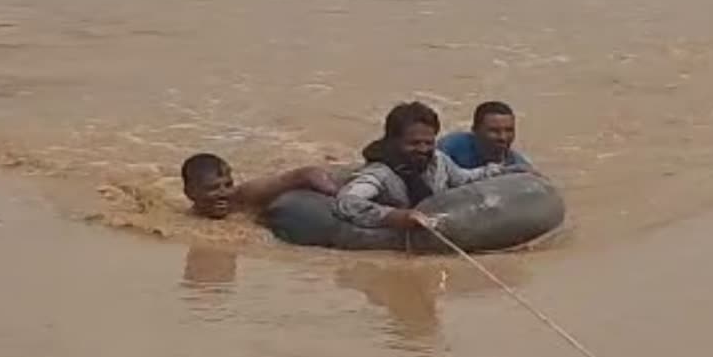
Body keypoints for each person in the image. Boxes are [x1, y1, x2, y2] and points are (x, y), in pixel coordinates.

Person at [334, 101, 528, 229]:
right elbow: (347, 202)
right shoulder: (380, 174)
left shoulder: (438, 160)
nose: (423, 149)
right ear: (394, 141)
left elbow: (463, 178)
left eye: (428, 142)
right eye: (414, 143)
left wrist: (502, 170)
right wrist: (396, 217)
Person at [180, 153, 346, 219]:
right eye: (213, 188)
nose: (224, 193)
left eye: (228, 185)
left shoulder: (246, 197)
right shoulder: (184, 219)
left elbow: (307, 173)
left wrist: (336, 193)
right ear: (189, 193)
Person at [437, 100, 533, 169]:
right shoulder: (447, 150)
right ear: (475, 130)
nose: (503, 137)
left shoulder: (518, 165)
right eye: (494, 131)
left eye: (509, 130)